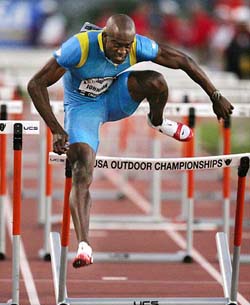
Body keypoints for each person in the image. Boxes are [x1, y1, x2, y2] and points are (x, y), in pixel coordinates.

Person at [27, 14, 234, 269]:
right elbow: (35, 84)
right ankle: (84, 245)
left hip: (116, 99)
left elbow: (183, 60)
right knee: (82, 168)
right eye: (117, 46)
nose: (122, 52)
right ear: (104, 37)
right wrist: (56, 130)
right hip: (83, 109)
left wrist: (215, 95)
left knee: (156, 81)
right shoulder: (79, 47)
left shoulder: (137, 45)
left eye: (127, 47)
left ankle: (157, 121)